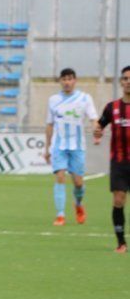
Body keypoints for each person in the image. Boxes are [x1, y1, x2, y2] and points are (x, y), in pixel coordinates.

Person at [44, 68, 99, 226]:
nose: (67, 82)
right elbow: (49, 125)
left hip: (77, 146)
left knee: (78, 183)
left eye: (70, 79)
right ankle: (60, 215)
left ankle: (79, 204)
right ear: (60, 81)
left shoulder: (84, 98)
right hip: (59, 145)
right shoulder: (53, 100)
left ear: (75, 80)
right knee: (60, 176)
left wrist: (96, 132)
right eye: (64, 79)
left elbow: (93, 119)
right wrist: (46, 149)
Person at [93, 65, 130, 254]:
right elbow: (99, 125)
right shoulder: (112, 107)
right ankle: (121, 243)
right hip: (119, 162)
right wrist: (97, 132)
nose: (128, 81)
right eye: (125, 78)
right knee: (118, 200)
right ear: (121, 82)